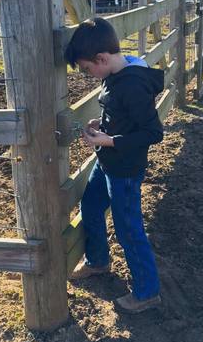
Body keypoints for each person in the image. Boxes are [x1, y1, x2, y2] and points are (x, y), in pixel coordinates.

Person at [65, 17, 164, 314]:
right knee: (91, 206)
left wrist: (111, 141)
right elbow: (119, 112)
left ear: (102, 58)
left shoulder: (133, 85)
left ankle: (147, 291)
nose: (88, 74)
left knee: (128, 230)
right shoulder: (115, 72)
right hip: (107, 161)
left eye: (87, 69)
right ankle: (98, 261)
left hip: (125, 170)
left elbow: (152, 133)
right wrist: (102, 123)